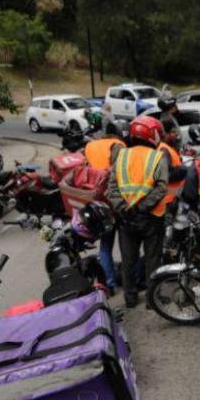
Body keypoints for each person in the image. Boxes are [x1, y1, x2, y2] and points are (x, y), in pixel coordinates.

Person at [106, 115, 170, 309]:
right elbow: (161, 188)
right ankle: (152, 299)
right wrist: (142, 206)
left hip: (126, 218)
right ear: (152, 135)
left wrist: (123, 208)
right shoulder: (158, 156)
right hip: (152, 217)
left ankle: (130, 298)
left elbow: (111, 188)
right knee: (152, 260)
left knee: (128, 260)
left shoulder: (122, 155)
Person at [82, 121, 125, 290]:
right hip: (115, 200)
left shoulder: (90, 146)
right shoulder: (118, 145)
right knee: (125, 245)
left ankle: (109, 284)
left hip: (97, 202)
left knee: (105, 246)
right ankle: (131, 279)